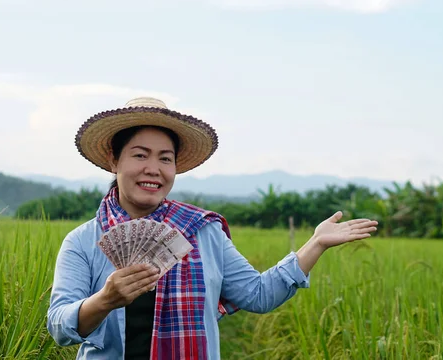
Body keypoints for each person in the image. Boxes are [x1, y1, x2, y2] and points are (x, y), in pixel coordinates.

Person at [47, 97, 378, 359]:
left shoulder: (201, 232)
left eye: (165, 158)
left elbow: (258, 295)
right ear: (113, 160)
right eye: (139, 155)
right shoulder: (83, 241)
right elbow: (60, 327)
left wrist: (315, 244)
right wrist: (105, 299)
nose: (153, 169)